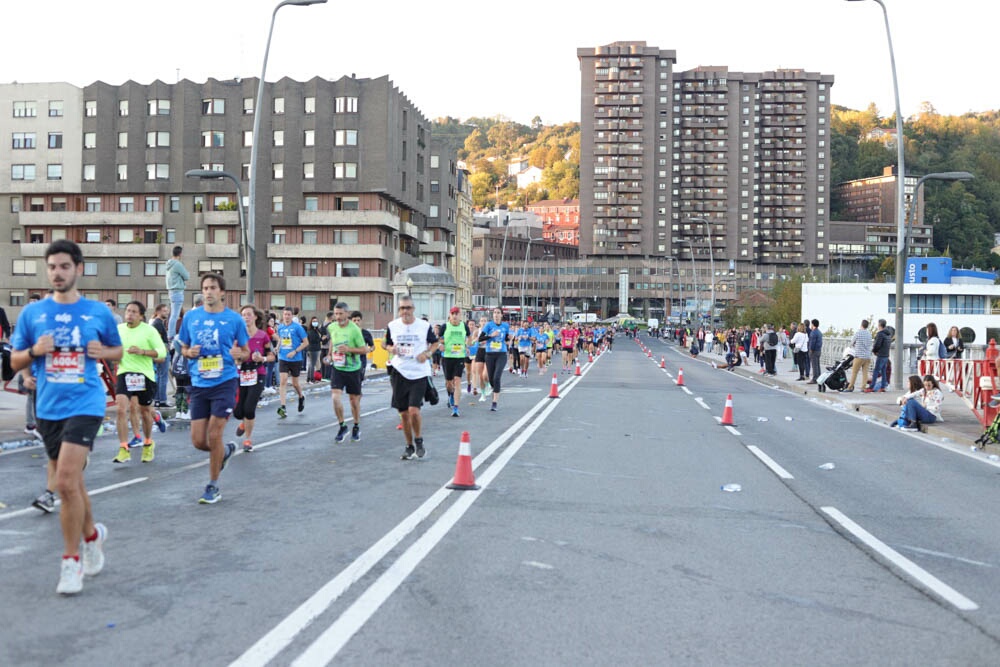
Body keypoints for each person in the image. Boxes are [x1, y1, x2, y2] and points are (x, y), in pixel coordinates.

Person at [11, 239, 122, 595]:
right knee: (72, 485)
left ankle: (70, 562)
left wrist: (103, 351)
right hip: (48, 406)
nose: (57, 273)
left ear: (78, 269)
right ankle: (91, 536)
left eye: (64, 266)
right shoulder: (33, 314)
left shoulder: (97, 312)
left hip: (86, 402)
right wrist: (34, 351)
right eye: (52, 267)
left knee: (65, 480)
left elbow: (116, 348)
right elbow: (13, 361)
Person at [176, 273, 249, 504]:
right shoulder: (191, 317)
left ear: (222, 292)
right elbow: (183, 347)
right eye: (205, 288)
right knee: (199, 441)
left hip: (225, 381)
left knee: (214, 433)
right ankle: (225, 452)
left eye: (212, 288)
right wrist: (188, 353)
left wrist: (241, 354)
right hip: (199, 383)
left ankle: (213, 485)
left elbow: (245, 351)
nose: (208, 292)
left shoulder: (234, 320)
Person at [111, 301, 167, 464]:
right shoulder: (119, 329)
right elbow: (112, 348)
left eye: (134, 312)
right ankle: (123, 449)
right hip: (124, 373)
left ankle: (148, 443)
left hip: (144, 375)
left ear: (141, 316)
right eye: (128, 311)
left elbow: (161, 352)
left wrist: (142, 352)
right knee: (121, 409)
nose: (129, 314)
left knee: (145, 411)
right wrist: (114, 357)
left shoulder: (149, 331)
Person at [384, 295, 439, 459]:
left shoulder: (423, 326)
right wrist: (390, 348)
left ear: (413, 309)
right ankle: (409, 446)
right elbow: (384, 343)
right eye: (402, 308)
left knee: (414, 410)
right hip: (399, 372)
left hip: (419, 372)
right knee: (404, 414)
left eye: (408, 308)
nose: (405, 311)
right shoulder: (393, 326)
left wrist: (427, 354)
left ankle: (419, 440)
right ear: (399, 310)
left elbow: (435, 343)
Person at [232, 305, 273, 452]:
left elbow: (271, 356)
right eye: (243, 315)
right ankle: (243, 423)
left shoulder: (263, 335)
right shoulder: (238, 336)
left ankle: (248, 440)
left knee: (249, 409)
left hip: (258, 373)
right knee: (238, 412)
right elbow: (233, 355)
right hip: (241, 374)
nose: (246, 317)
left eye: (249, 314)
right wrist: (237, 359)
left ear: (255, 317)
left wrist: (261, 358)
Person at [327, 302, 368, 443]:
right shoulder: (332, 327)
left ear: (347, 314)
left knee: (354, 402)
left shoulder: (354, 330)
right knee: (335, 398)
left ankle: (356, 426)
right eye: (335, 314)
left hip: (353, 369)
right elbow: (333, 340)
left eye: (340, 314)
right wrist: (329, 354)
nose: (337, 317)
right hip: (338, 368)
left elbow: (364, 350)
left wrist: (349, 349)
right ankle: (342, 425)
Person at [275, 306, 308, 418]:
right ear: (283, 315)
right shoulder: (280, 327)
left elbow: (305, 342)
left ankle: (301, 396)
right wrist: (277, 347)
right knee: (283, 381)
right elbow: (280, 338)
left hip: (295, 358)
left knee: (295, 383)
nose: (287, 316)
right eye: (285, 314)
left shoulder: (298, 327)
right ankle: (283, 406)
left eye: (289, 314)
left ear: (292, 315)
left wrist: (295, 351)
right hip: (283, 357)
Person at [441, 306, 473, 417]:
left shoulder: (464, 326)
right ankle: (450, 394)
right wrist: (441, 345)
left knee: (457, 380)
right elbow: (439, 339)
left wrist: (468, 345)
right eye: (452, 313)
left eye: (456, 314)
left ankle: (456, 408)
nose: (454, 316)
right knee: (449, 382)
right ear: (450, 315)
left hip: (459, 357)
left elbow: (469, 338)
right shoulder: (445, 326)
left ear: (460, 316)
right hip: (447, 357)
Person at [480, 307, 511, 412]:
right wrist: (490, 335)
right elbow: (480, 338)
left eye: (498, 313)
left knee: (497, 377)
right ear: (492, 315)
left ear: (501, 315)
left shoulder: (505, 326)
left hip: (501, 354)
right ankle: (494, 389)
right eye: (494, 313)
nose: (496, 315)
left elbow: (506, 338)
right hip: (489, 354)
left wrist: (509, 337)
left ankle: (494, 402)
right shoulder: (489, 325)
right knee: (492, 379)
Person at [165, 245, 189, 341]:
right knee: (175, 315)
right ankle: (171, 335)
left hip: (171, 291)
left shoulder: (169, 263)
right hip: (178, 291)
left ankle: (170, 333)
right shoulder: (177, 264)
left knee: (173, 314)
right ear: (180, 253)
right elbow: (186, 276)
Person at [150, 303, 171, 407]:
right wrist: (165, 348)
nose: (166, 312)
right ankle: (162, 400)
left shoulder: (159, 323)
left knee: (159, 376)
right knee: (163, 376)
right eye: (164, 311)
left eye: (167, 311)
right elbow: (157, 340)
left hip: (160, 352)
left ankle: (157, 400)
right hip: (162, 353)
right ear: (158, 312)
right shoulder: (157, 323)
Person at [845, 319, 873, 392]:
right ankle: (863, 388)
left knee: (854, 372)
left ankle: (850, 387)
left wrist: (855, 345)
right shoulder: (869, 334)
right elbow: (870, 344)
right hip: (867, 356)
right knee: (865, 373)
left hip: (859, 356)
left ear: (861, 325)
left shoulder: (858, 333)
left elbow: (851, 343)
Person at [866, 319, 892, 393]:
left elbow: (877, 344)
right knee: (883, 371)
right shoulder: (888, 334)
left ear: (880, 325)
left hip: (880, 354)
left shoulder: (880, 334)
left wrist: (874, 351)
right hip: (886, 355)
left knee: (876, 370)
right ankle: (883, 387)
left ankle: (872, 387)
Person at [350, 311, 375, 382]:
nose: (356, 322)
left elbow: (372, 346)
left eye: (358, 320)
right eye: (354, 320)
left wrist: (369, 350)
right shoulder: (348, 333)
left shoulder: (366, 333)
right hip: (350, 360)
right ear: (351, 321)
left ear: (361, 321)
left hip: (361, 360)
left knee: (358, 380)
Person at [306, 315, 323, 382]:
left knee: (311, 363)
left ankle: (309, 377)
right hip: (313, 349)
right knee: (312, 364)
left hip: (314, 348)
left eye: (316, 321)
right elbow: (313, 340)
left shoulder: (317, 330)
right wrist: (320, 339)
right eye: (313, 321)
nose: (315, 322)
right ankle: (311, 378)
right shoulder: (311, 331)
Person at [806, 319, 823, 384]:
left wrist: (811, 350)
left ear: (813, 324)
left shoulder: (813, 332)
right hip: (818, 350)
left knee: (814, 365)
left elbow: (812, 342)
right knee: (817, 365)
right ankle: (819, 377)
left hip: (814, 351)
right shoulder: (819, 332)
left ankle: (815, 378)